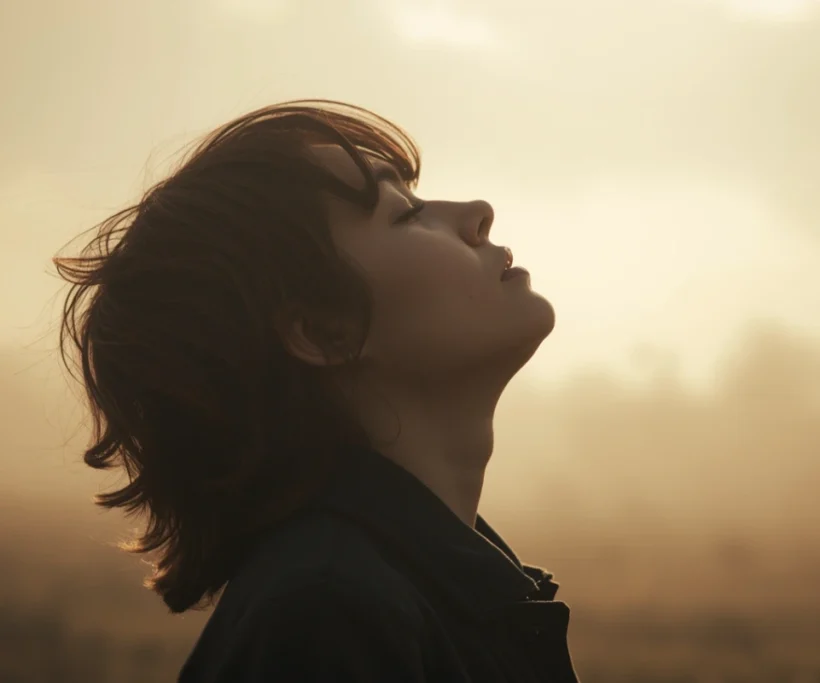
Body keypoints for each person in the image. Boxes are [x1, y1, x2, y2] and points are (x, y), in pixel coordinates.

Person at [53, 100, 578, 682]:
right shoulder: (328, 619)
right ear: (322, 330)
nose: (477, 212)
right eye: (404, 213)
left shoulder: (417, 590)